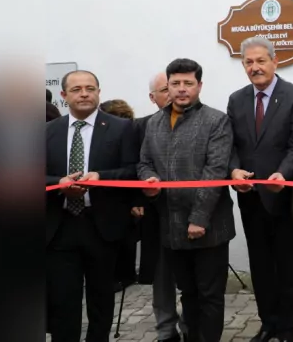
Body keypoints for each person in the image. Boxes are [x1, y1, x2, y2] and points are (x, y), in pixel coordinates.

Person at [139, 58, 236, 342]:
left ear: (199, 86)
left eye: (188, 84)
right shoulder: (154, 123)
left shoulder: (216, 121)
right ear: (167, 86)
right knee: (188, 293)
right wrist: (149, 180)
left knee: (209, 295)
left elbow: (215, 172)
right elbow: (143, 162)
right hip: (171, 226)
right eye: (175, 84)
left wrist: (198, 218)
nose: (182, 90)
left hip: (209, 227)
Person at [226, 37, 293, 342]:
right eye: (249, 62)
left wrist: (282, 173)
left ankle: (287, 328)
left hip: (283, 197)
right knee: (260, 267)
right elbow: (231, 144)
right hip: (250, 198)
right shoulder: (236, 100)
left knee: (287, 268)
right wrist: (234, 169)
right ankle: (268, 323)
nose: (255, 67)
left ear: (275, 61)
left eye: (261, 60)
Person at [45, 70, 139, 342]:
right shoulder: (47, 131)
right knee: (63, 301)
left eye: (90, 88)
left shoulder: (122, 128)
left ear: (99, 92)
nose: (84, 93)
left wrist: (102, 177)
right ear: (64, 96)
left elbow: (133, 171)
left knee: (101, 299)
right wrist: (59, 182)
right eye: (76, 89)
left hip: (102, 226)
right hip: (60, 227)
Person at [135, 72, 187, 342]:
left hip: (190, 214)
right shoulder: (142, 126)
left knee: (191, 278)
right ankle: (166, 330)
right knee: (162, 277)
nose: (173, 93)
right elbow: (136, 166)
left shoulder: (199, 122)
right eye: (165, 89)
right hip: (156, 214)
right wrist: (139, 201)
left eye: (175, 87)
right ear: (152, 97)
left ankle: (191, 324)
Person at [98, 99, 140, 292]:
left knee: (123, 239)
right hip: (123, 195)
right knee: (127, 238)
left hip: (122, 193)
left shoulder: (125, 133)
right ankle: (127, 274)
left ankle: (122, 276)